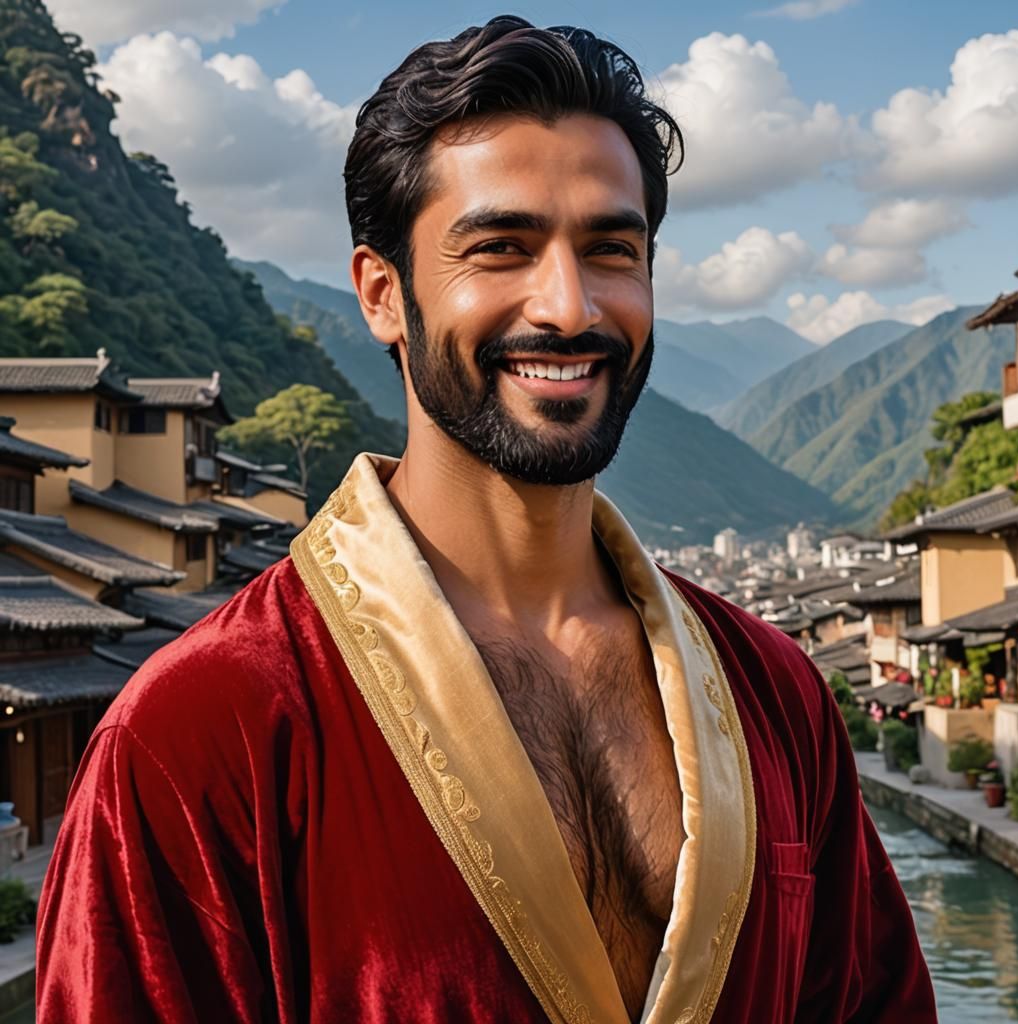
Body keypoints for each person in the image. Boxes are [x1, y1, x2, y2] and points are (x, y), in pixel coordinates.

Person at [36, 16, 937, 1023]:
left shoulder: (775, 696)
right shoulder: (203, 731)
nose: (567, 305)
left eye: (611, 249)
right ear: (383, 293)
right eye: (499, 248)